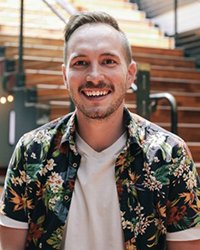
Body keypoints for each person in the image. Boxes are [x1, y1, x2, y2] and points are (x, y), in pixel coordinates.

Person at [0, 11, 200, 250]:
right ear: (65, 76)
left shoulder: (170, 156)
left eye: (108, 61)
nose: (94, 76)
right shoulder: (31, 151)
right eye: (80, 63)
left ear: (130, 74)